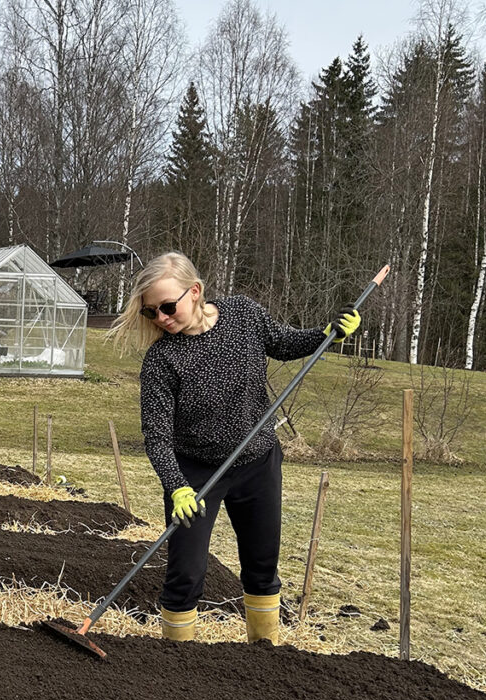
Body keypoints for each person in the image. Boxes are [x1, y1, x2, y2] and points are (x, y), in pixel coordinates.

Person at [107, 252, 359, 644]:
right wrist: (176, 486)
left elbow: (283, 341)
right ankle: (177, 660)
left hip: (257, 462)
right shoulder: (161, 360)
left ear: (195, 292)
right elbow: (156, 434)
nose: (161, 319)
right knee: (185, 573)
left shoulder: (243, 315)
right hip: (195, 473)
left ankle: (264, 653)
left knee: (261, 565)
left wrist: (328, 332)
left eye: (167, 307)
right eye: (150, 313)